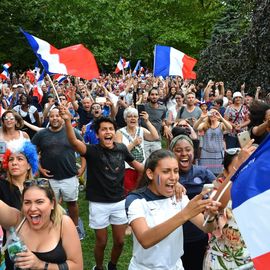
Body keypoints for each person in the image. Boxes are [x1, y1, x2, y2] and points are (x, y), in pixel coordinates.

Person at [59, 106, 144, 270]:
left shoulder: (122, 148)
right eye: (103, 129)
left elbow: (138, 166)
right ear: (97, 134)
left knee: (120, 241)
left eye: (111, 129)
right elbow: (74, 142)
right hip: (98, 203)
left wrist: (155, 173)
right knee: (102, 241)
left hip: (119, 201)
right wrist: (68, 122)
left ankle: (112, 265)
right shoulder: (91, 151)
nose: (108, 132)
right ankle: (98, 267)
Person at [125, 149, 220, 270]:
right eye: (166, 171)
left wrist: (210, 216)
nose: (173, 177)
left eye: (176, 171)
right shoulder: (136, 200)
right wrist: (184, 214)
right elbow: (145, 240)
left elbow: (206, 227)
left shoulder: (179, 197)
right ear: (150, 174)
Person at [0, 178, 83, 270]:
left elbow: (77, 266)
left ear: (52, 203)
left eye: (39, 202)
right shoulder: (17, 220)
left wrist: (41, 265)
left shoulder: (63, 224)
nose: (32, 208)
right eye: (27, 202)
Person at [32, 108, 86, 239]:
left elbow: (84, 149)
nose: (55, 118)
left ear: (62, 117)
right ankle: (52, 228)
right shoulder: (41, 134)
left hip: (69, 176)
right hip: (49, 178)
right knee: (50, 205)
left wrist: (83, 167)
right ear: (48, 118)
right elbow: (31, 153)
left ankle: (75, 228)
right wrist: (40, 168)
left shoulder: (71, 131)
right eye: (52, 116)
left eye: (58, 116)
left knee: (72, 203)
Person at [203, 142, 256, 269]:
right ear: (226, 172)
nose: (246, 171)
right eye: (239, 167)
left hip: (253, 263)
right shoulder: (216, 192)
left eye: (250, 166)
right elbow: (218, 205)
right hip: (223, 263)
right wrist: (239, 166)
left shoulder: (260, 194)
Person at [170, 135, 216, 270]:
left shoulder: (203, 172)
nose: (184, 154)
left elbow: (220, 189)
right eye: (178, 150)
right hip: (173, 236)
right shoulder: (166, 176)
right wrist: (173, 182)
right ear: (171, 153)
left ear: (193, 152)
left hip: (198, 234)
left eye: (187, 149)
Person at [0, 140, 38, 269]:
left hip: (38, 244)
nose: (14, 163)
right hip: (12, 247)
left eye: (20, 159)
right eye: (11, 160)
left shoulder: (39, 187)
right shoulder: (2, 186)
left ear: (29, 165)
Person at [115, 107, 159, 194]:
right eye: (129, 116)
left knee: (142, 192)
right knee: (129, 193)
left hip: (142, 167)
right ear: (125, 119)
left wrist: (147, 121)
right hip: (127, 168)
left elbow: (155, 136)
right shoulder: (119, 132)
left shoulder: (141, 130)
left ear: (138, 118)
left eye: (135, 116)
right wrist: (133, 144)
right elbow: (119, 152)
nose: (132, 118)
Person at [194, 109, 232, 175]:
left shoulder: (221, 124)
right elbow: (195, 127)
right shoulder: (204, 124)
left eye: (215, 113)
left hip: (218, 154)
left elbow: (230, 128)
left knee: (219, 174)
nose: (213, 115)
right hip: (206, 153)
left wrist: (221, 118)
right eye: (211, 113)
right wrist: (201, 118)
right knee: (205, 173)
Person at [0, 110, 30, 180]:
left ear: (16, 121)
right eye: (6, 118)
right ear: (3, 121)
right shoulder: (0, 135)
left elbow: (30, 155)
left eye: (11, 118)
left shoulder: (24, 135)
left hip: (22, 172)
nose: (8, 120)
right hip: (4, 172)